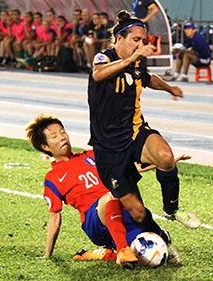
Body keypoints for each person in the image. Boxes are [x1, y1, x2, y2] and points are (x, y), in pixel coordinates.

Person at [87, 11, 201, 240]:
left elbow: (147, 78)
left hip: (135, 132)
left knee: (166, 158)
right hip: (108, 147)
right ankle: (161, 237)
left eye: (143, 41)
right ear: (119, 39)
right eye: (135, 40)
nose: (140, 45)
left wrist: (170, 88)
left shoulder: (137, 64)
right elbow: (98, 75)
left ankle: (172, 209)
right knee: (137, 213)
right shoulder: (104, 58)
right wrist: (129, 59)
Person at [24, 114, 181, 266]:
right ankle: (122, 250)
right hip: (94, 220)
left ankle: (106, 254)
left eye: (62, 131)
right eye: (54, 136)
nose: (62, 137)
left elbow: (131, 168)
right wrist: (47, 254)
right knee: (113, 194)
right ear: (45, 147)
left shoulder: (93, 155)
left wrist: (165, 163)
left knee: (146, 256)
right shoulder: (53, 177)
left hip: (121, 212)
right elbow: (54, 217)